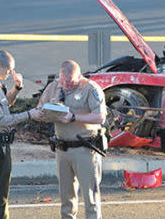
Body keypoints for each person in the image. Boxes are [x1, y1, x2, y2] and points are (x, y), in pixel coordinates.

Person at [36, 60, 106, 219]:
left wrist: (73, 117)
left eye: (71, 82)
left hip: (84, 149)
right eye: (63, 81)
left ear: (79, 77)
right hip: (62, 149)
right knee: (66, 197)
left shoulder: (90, 88)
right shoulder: (54, 87)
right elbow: (40, 108)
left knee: (91, 198)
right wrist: (44, 114)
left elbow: (100, 117)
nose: (66, 85)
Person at [0, 50, 41, 219]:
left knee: (2, 189)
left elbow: (4, 104)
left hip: (0, 144)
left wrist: (17, 88)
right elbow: (0, 119)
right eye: (8, 70)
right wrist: (29, 114)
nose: (11, 73)